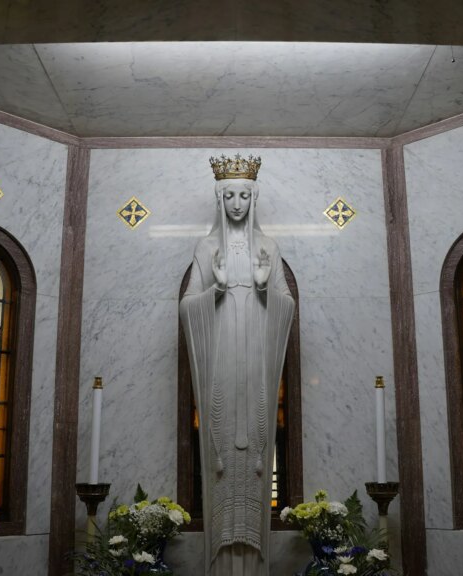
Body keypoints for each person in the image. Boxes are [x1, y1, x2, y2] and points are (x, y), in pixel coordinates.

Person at [179, 155, 294, 576]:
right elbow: (188, 307)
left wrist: (266, 288)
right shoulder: (207, 248)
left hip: (256, 362)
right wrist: (217, 287)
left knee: (257, 443)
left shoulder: (269, 248)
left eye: (245, 195)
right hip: (223, 359)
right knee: (223, 439)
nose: (237, 203)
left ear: (254, 198)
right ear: (219, 199)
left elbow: (287, 305)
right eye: (229, 195)